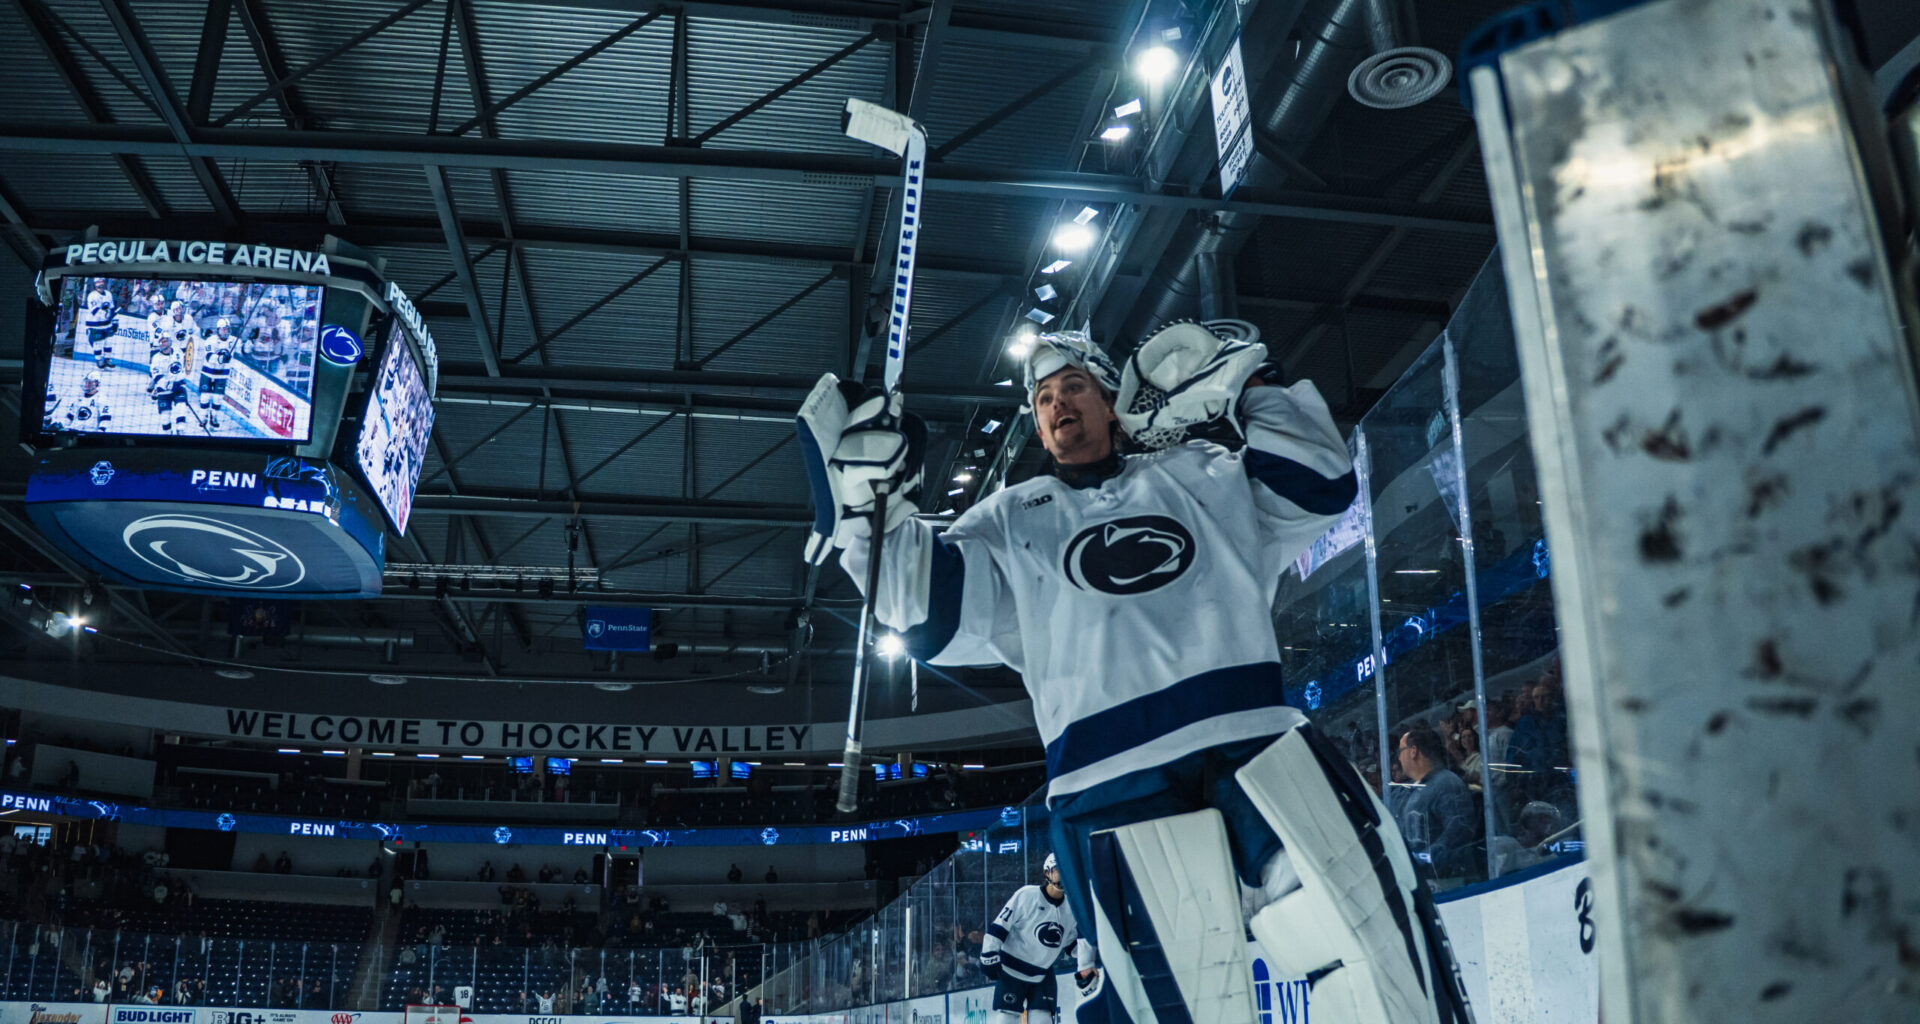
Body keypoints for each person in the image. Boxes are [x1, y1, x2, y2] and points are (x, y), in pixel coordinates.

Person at [797, 323, 1469, 1024]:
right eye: (1044, 397)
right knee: (1180, 1006)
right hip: (1107, 779)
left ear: (1113, 401)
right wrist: (869, 513)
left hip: (1256, 740)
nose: (1058, 405)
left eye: (1075, 387)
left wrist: (1247, 382)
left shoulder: (1203, 470)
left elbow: (1322, 485)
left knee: (1380, 943)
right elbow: (919, 613)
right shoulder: (1006, 520)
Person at [979, 853, 1098, 1024]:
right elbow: (999, 927)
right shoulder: (1027, 895)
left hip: (1043, 973)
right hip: (1011, 971)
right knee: (1006, 1018)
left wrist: (1096, 954)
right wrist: (988, 954)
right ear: (1047, 873)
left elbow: (1071, 946)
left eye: (1067, 870)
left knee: (1042, 1020)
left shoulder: (1072, 908)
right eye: (1058, 870)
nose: (1063, 874)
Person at [1394, 725, 1479, 878]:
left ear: (1413, 751)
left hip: (1449, 882)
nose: (1399, 758)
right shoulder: (1414, 789)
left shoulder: (1447, 783)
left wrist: (1422, 860)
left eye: (1401, 751)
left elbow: (1459, 831)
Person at [146, 335, 192, 435]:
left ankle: (181, 431)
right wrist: (171, 384)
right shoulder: (156, 358)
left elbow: (183, 368)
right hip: (164, 390)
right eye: (161, 341)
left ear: (170, 341)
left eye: (165, 341)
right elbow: (157, 377)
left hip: (178, 388)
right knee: (165, 419)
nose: (163, 343)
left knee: (182, 408)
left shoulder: (178, 352)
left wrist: (180, 380)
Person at [196, 317, 236, 430]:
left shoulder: (233, 340)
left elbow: (245, 350)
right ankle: (203, 417)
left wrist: (250, 341)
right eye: (223, 329)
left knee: (218, 397)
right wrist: (221, 359)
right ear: (218, 330)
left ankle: (214, 417)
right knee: (205, 397)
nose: (225, 331)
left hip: (223, 373)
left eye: (227, 329)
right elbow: (209, 357)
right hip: (208, 372)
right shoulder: (211, 340)